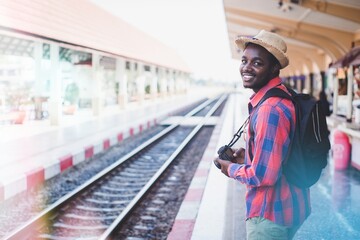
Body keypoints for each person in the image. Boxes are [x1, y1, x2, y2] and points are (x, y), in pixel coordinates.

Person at [214, 30, 310, 240]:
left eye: (257, 63)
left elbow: (264, 176)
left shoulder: (269, 109)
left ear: (274, 68)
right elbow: (281, 153)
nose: (247, 68)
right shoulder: (283, 95)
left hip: (269, 215)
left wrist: (230, 169)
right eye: (244, 60)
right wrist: (247, 157)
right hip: (290, 205)